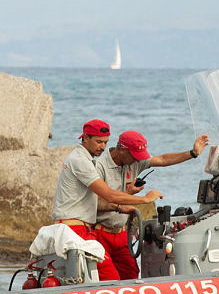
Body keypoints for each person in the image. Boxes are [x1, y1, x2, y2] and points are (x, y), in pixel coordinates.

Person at [51, 119, 164, 281]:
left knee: (126, 274)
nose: (103, 147)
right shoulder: (80, 161)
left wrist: (121, 207)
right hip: (75, 230)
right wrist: (145, 199)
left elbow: (100, 200)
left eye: (105, 142)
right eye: (98, 142)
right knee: (110, 277)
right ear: (85, 138)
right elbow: (108, 195)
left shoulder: (86, 160)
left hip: (82, 228)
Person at [93, 129, 209, 279]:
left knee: (132, 276)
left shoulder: (134, 161)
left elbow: (162, 159)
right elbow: (96, 203)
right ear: (122, 150)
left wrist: (192, 153)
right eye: (134, 156)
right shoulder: (99, 167)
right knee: (109, 278)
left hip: (122, 233)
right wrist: (132, 196)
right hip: (101, 232)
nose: (137, 160)